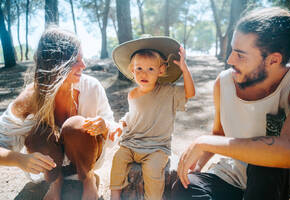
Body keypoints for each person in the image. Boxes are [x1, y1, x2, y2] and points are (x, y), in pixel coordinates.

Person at [172, 7, 290, 200]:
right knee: (184, 188)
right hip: (234, 176)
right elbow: (220, 133)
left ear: (273, 60)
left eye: (240, 55)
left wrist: (204, 142)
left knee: (264, 167)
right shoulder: (223, 83)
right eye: (232, 50)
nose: (230, 59)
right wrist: (198, 166)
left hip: (281, 182)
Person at [0, 27, 115, 200]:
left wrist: (105, 127)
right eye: (76, 61)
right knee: (39, 133)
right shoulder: (29, 99)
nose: (83, 66)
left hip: (86, 159)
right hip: (48, 167)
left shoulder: (92, 87)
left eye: (82, 58)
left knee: (76, 125)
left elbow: (112, 126)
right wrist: (19, 159)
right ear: (56, 66)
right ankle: (56, 182)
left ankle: (87, 180)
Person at [84, 37, 195, 200]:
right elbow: (133, 115)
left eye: (151, 69)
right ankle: (115, 195)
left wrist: (184, 69)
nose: (144, 73)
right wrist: (121, 124)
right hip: (132, 143)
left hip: (156, 146)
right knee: (118, 160)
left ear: (161, 70)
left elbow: (190, 93)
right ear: (132, 70)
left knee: (153, 171)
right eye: (139, 68)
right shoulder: (133, 94)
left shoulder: (168, 91)